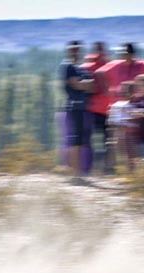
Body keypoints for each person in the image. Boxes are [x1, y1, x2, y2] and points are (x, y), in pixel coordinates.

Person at [60, 40, 93, 180]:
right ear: (69, 50)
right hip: (73, 107)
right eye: (73, 49)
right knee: (74, 141)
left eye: (77, 49)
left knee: (80, 141)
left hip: (83, 108)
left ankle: (78, 172)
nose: (75, 52)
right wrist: (84, 84)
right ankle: (74, 173)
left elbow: (92, 87)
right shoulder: (68, 66)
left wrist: (83, 84)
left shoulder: (81, 68)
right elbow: (77, 85)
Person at [81, 41, 114, 173]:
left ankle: (101, 168)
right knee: (101, 140)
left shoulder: (87, 67)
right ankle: (101, 168)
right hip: (98, 109)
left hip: (104, 109)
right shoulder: (109, 66)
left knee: (105, 141)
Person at [108, 81, 138, 172]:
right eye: (122, 91)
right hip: (121, 132)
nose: (123, 94)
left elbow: (137, 119)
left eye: (126, 92)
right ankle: (128, 171)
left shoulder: (137, 104)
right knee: (124, 152)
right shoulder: (116, 105)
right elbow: (112, 120)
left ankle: (133, 171)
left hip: (133, 133)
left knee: (132, 153)